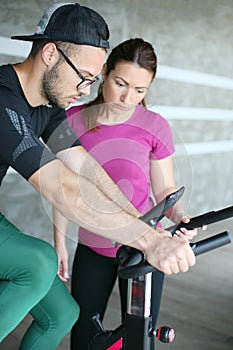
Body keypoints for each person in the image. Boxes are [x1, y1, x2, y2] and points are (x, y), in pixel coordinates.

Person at [0, 2, 196, 348]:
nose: (88, 90)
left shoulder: (47, 109)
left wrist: (141, 225)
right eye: (86, 78)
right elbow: (62, 187)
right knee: (40, 259)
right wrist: (150, 242)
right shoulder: (3, 101)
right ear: (50, 54)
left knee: (62, 313)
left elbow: (88, 171)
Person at [53, 38, 197, 350]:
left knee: (139, 337)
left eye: (139, 90)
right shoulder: (70, 121)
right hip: (93, 247)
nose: (127, 97)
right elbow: (61, 188)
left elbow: (165, 190)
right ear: (104, 72)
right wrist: (60, 242)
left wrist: (179, 215)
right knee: (84, 335)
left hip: (144, 250)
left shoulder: (155, 126)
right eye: (120, 83)